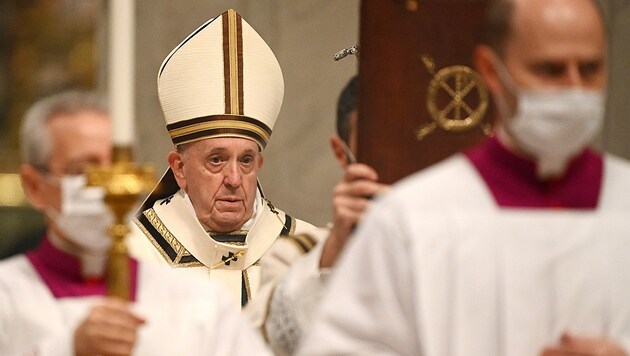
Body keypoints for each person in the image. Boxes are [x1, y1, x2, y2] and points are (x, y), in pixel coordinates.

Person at [300, 0, 630, 355]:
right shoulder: (412, 219)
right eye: (549, 70)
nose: (573, 90)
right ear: (491, 70)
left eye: (590, 69)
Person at [0, 90, 272, 355]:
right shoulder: (7, 296)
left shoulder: (199, 304)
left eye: (120, 167)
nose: (110, 187)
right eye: (85, 169)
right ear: (34, 186)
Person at [126, 8, 320, 321]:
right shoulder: (131, 254)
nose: (233, 178)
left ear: (259, 163)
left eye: (245, 161)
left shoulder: (304, 251)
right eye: (216, 160)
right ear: (179, 168)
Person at [261, 75, 389, 355]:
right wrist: (336, 252)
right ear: (341, 153)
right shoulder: (293, 256)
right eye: (381, 140)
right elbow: (265, 344)